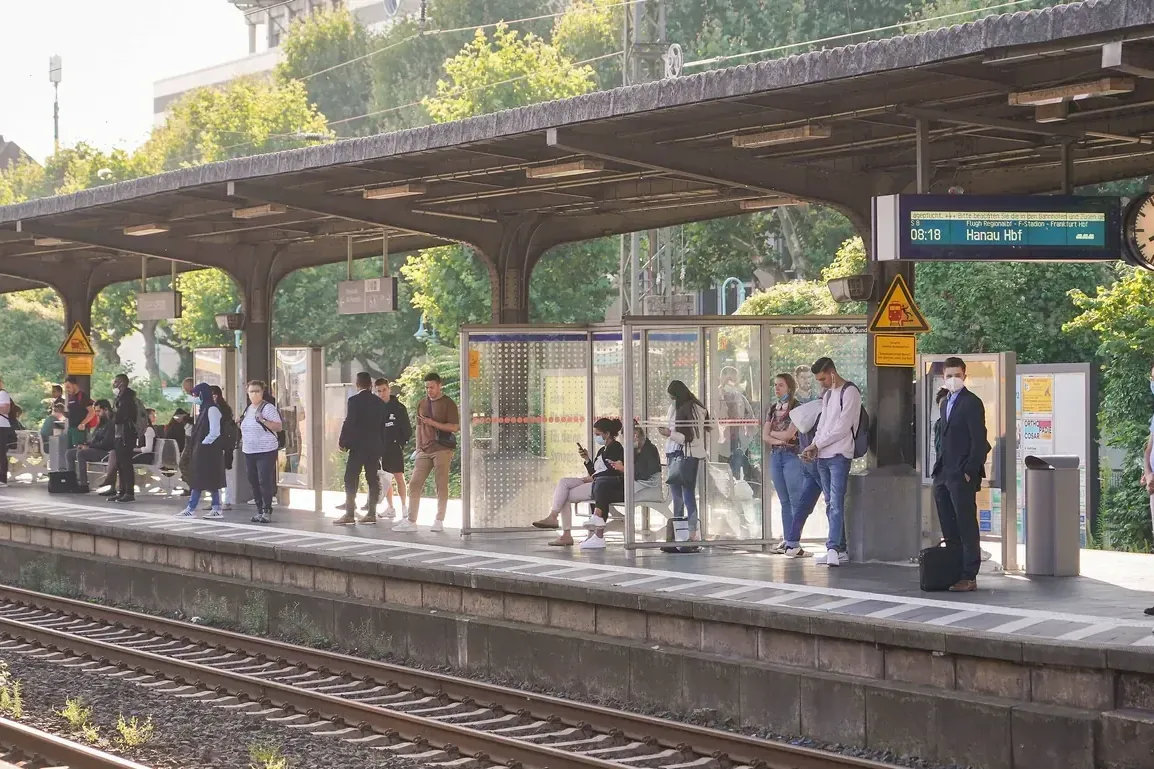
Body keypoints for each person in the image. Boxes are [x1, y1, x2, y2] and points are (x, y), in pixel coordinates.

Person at [931, 357, 991, 592]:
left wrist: (968, 471)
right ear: (943, 377)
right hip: (943, 473)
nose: (953, 379)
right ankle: (954, 571)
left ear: (964, 376)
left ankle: (969, 574)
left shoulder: (971, 403)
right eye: (949, 376)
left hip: (961, 474)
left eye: (957, 375)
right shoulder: (945, 402)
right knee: (948, 525)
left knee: (966, 524)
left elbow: (979, 441)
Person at [799, 357, 859, 567]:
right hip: (823, 455)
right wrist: (813, 445)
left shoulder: (849, 391)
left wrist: (818, 444)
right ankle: (839, 548)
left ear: (832, 373)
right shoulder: (828, 395)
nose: (821, 383)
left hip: (840, 455)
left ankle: (833, 547)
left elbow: (843, 427)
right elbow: (823, 424)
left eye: (823, 378)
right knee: (830, 502)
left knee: (836, 502)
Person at [532, 417, 627, 549]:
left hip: (601, 484)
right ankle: (555, 520)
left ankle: (561, 528)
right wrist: (587, 459)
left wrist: (593, 476)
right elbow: (596, 470)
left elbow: (613, 470)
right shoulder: (602, 450)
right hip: (594, 480)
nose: (596, 437)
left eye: (598, 435)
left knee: (563, 495)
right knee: (563, 484)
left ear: (607, 434)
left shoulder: (616, 448)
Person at [395, 372, 459, 533]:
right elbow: (418, 427)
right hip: (424, 449)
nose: (429, 390)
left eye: (432, 387)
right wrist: (418, 447)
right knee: (415, 483)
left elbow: (454, 427)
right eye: (427, 387)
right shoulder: (422, 403)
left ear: (439, 386)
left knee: (441, 484)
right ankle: (411, 520)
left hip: (442, 448)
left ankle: (439, 519)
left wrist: (433, 423)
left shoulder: (448, 403)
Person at [335, 372, 389, 526]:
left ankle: (350, 513)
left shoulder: (354, 400)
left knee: (351, 477)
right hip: (374, 446)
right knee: (372, 478)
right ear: (370, 385)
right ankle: (371, 513)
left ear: (357, 384)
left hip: (358, 447)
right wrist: (381, 446)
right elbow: (382, 427)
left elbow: (349, 422)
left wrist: (343, 441)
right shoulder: (379, 403)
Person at [659, 380, 708, 541]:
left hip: (686, 455)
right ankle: (679, 531)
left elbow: (689, 438)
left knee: (687, 494)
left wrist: (669, 434)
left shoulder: (692, 410)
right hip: (675, 454)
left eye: (672, 397)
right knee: (678, 496)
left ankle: (692, 532)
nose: (671, 400)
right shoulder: (678, 408)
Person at [763, 373, 804, 554]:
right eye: (775, 385)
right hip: (777, 455)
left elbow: (790, 434)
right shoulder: (772, 409)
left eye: (780, 385)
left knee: (795, 499)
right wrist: (780, 439)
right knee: (784, 500)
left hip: (792, 456)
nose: (777, 388)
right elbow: (765, 435)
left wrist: (776, 436)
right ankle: (788, 539)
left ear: (789, 387)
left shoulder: (797, 407)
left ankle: (795, 541)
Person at [176, 383, 227, 519]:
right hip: (203, 449)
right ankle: (215, 507)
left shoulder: (212, 410)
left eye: (195, 395)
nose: (194, 398)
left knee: (202, 480)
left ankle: (192, 508)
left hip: (209, 450)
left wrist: (204, 444)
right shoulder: (204, 409)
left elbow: (215, 431)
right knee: (206, 479)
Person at [239, 380, 283, 524]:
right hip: (249, 450)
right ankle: (259, 510)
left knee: (264, 479)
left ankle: (266, 510)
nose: (254, 394)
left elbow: (278, 426)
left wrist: (263, 421)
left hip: (266, 449)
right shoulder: (248, 409)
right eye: (251, 391)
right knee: (253, 480)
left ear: (262, 392)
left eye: (257, 391)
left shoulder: (268, 408)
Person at [378, 378, 412, 520]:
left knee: (399, 477)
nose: (382, 393)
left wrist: (400, 443)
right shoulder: (376, 408)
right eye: (379, 391)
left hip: (395, 447)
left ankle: (404, 506)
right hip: (381, 448)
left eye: (384, 390)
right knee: (385, 479)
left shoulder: (399, 407)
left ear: (389, 389)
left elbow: (407, 429)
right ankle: (390, 507)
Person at [67, 399, 114, 492]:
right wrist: (85, 444)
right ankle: (71, 481)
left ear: (106, 410)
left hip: (106, 452)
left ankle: (83, 484)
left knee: (81, 454)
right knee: (69, 453)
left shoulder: (112, 424)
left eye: (98, 411)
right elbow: (94, 439)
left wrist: (90, 447)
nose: (96, 414)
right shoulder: (101, 423)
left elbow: (107, 443)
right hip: (96, 448)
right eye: (95, 411)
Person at [718, 366, 755, 481]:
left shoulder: (740, 397)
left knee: (736, 474)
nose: (732, 383)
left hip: (738, 442)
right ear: (722, 378)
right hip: (720, 443)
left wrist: (747, 438)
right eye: (729, 379)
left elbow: (750, 418)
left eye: (735, 380)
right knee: (721, 475)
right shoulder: (714, 397)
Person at [109, 374, 140, 503]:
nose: (114, 384)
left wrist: (113, 415)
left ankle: (129, 492)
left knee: (126, 464)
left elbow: (120, 417)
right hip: (120, 435)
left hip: (126, 435)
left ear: (122, 383)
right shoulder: (121, 398)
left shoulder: (127, 399)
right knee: (120, 464)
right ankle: (121, 491)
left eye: (116, 382)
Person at [176, 378, 198, 496]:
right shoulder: (194, 400)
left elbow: (196, 420)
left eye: (186, 388)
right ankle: (191, 486)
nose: (185, 391)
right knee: (187, 463)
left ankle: (193, 487)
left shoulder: (199, 401)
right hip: (188, 434)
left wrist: (184, 418)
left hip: (192, 436)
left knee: (184, 463)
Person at [0, 375, 11, 489]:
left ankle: (2, 478)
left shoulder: (3, 394)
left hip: (2, 426)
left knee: (1, 452)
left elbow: (6, 409)